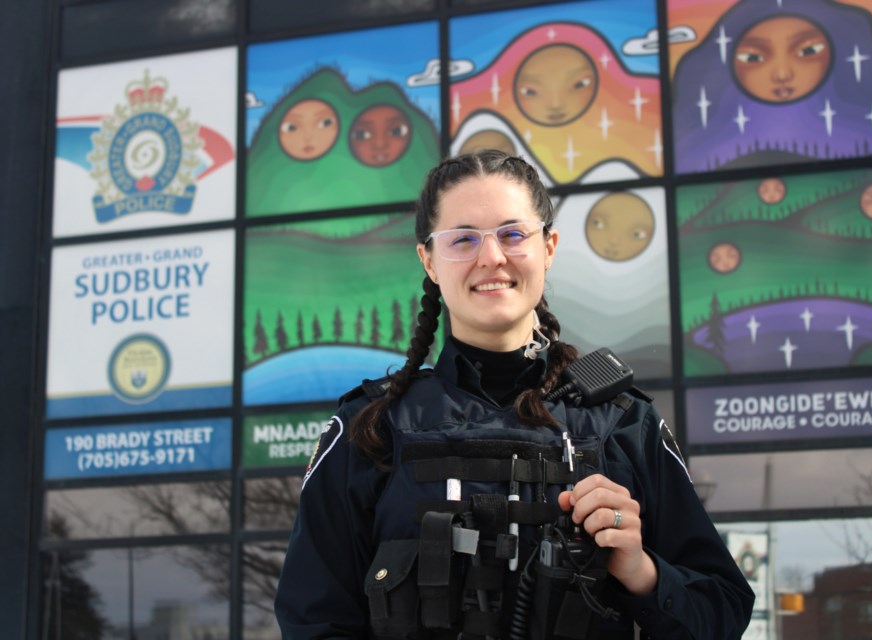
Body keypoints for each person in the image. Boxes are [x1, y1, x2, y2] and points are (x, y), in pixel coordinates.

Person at [275, 150, 755, 639]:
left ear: (548, 247)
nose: (492, 257)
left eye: (512, 234)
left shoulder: (625, 423)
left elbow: (723, 612)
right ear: (430, 260)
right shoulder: (370, 427)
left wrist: (639, 570)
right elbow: (314, 621)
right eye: (463, 239)